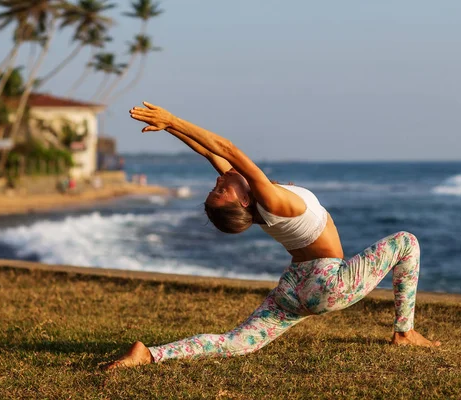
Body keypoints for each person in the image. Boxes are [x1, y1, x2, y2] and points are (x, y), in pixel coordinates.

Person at [104, 102, 440, 370]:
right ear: (245, 201)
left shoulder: (254, 202)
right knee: (406, 242)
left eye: (216, 186)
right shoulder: (270, 199)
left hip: (293, 287)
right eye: (221, 190)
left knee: (236, 343)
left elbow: (211, 153)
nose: (219, 182)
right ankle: (404, 332)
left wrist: (172, 128)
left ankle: (149, 354)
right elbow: (227, 147)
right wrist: (173, 117)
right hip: (327, 284)